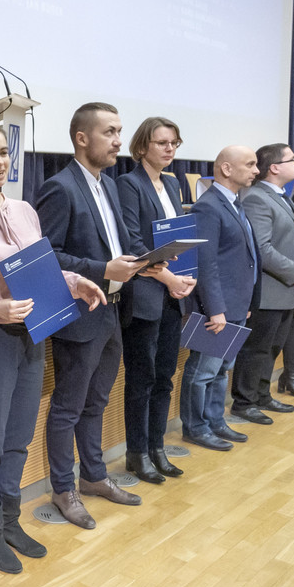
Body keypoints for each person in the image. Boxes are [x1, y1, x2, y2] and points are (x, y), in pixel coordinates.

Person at [0, 123, 106, 571]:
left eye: (3, 152)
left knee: (18, 438)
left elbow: (42, 268)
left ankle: (10, 521)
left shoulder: (25, 211)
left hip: (34, 334)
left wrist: (73, 281)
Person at [36, 102, 152, 526]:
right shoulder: (60, 187)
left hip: (113, 311)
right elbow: (46, 256)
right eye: (110, 132)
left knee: (97, 401)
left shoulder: (108, 185)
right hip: (79, 315)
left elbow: (116, 245)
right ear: (82, 138)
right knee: (68, 407)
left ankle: (94, 476)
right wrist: (103, 269)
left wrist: (149, 261)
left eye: (119, 131)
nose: (119, 141)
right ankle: (63, 489)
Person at [115, 116, 197, 484]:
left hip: (172, 295)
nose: (169, 149)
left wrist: (185, 277)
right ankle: (137, 453)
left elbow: (176, 236)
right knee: (142, 379)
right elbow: (133, 242)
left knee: (165, 376)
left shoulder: (173, 182)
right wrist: (168, 278)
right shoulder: (128, 184)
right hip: (145, 293)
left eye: (174, 143)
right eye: (162, 142)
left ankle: (157, 447)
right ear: (142, 146)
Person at [179, 145, 259, 451]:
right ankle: (195, 427)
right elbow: (206, 263)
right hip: (216, 308)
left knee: (222, 368)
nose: (256, 171)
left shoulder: (236, 203)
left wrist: (247, 303)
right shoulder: (208, 207)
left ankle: (215, 420)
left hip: (236, 304)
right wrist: (215, 309)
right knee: (202, 372)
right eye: (250, 164)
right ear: (226, 168)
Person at [233, 143, 294, 421]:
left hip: (286, 288)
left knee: (272, 347)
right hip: (269, 289)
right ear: (274, 167)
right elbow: (262, 249)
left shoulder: (280, 195)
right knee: (256, 348)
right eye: (292, 159)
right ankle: (244, 402)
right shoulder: (256, 198)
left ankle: (262, 395)